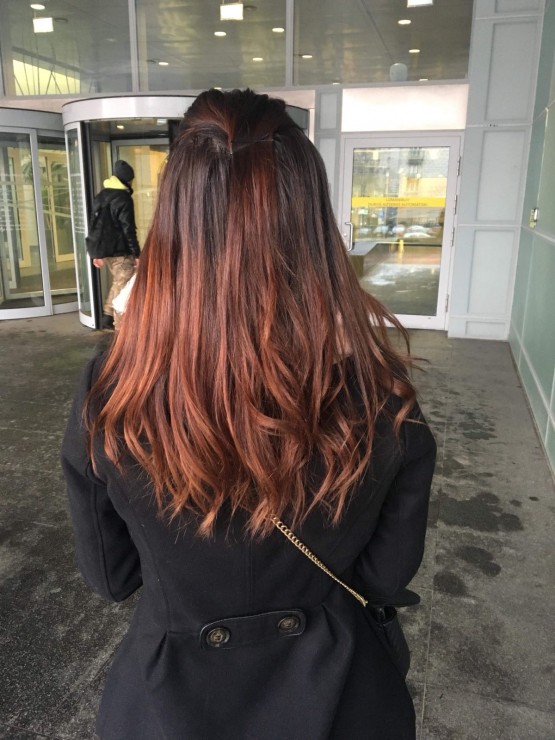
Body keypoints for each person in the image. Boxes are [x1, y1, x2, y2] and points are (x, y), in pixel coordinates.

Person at [61, 89, 436, 740]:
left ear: (174, 220)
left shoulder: (113, 386)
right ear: (311, 222)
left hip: (167, 704)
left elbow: (110, 577)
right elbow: (383, 577)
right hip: (338, 697)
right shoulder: (380, 391)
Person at [90, 160, 140, 330]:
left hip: (106, 250)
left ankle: (108, 315)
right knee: (124, 285)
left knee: (119, 281)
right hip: (120, 251)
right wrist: (136, 253)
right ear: (127, 180)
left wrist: (96, 253)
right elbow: (128, 229)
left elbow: (94, 226)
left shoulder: (101, 196)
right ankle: (119, 325)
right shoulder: (123, 198)